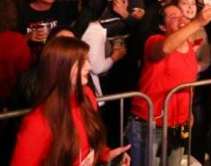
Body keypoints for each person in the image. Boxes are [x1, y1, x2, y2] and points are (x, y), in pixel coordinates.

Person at [11, 36, 130, 166]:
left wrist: (106, 155)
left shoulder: (87, 96)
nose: (89, 67)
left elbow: (88, 144)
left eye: (87, 60)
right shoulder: (37, 122)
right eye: (81, 61)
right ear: (62, 67)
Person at [127, 3, 211, 166]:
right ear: (162, 26)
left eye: (182, 15)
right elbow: (164, 49)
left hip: (177, 123)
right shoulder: (154, 41)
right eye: (174, 17)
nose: (182, 19)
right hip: (151, 122)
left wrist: (188, 110)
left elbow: (187, 81)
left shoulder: (189, 46)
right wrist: (196, 23)